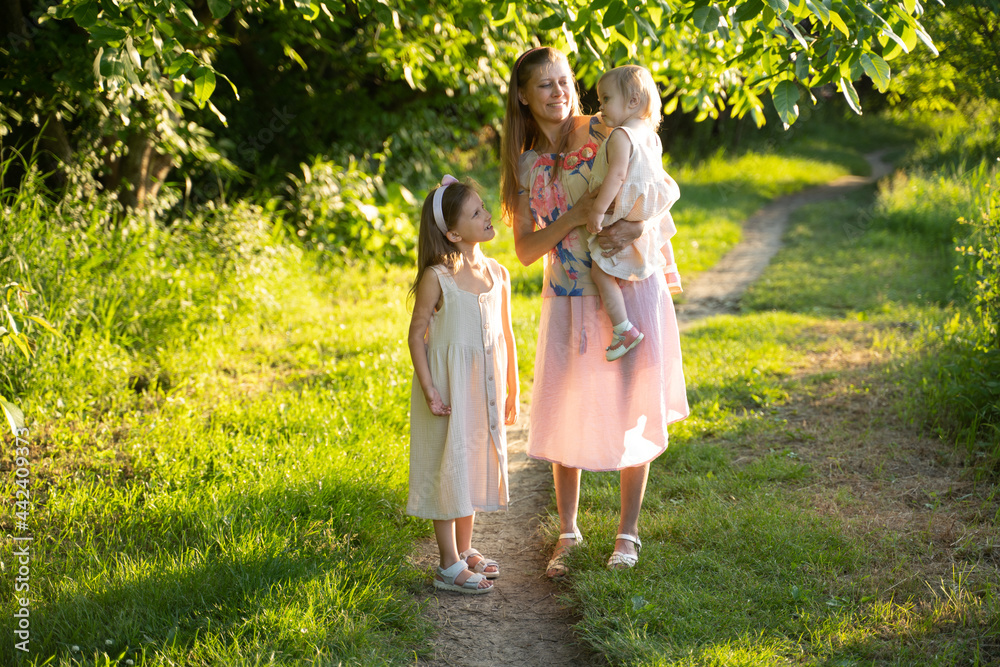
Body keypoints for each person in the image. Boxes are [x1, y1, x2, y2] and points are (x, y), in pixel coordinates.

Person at [500, 47, 688, 575]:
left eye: (564, 81)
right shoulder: (525, 161)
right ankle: (569, 532)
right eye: (545, 85)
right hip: (567, 293)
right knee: (566, 408)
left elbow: (658, 188)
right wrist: (575, 217)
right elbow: (524, 249)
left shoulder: (608, 128)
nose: (560, 92)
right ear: (523, 96)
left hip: (627, 283)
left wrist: (642, 227)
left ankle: (627, 535)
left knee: (633, 401)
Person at [406, 174, 520, 594]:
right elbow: (416, 334)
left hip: (483, 389)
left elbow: (506, 335)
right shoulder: (438, 277)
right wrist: (430, 388)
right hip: (449, 390)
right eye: (476, 213)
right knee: (448, 465)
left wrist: (513, 385)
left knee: (472, 462)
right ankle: (447, 563)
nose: (488, 215)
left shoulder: (497, 273)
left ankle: (467, 547)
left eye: (483, 207)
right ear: (453, 233)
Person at [586, 65, 684, 361]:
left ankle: (623, 328)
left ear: (632, 102)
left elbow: (616, 177)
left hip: (620, 214)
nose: (600, 106)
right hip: (642, 216)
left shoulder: (620, 135)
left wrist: (597, 211)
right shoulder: (652, 138)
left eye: (605, 99)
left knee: (599, 271)